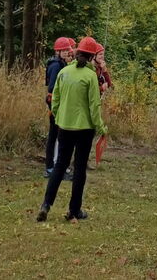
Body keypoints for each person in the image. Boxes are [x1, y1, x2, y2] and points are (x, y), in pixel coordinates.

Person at [37, 37, 108, 222]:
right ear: (92, 57)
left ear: (76, 53)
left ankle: (46, 204)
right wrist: (101, 127)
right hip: (84, 129)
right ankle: (74, 210)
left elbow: (55, 99)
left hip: (64, 126)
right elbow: (94, 106)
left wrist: (59, 117)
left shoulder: (64, 72)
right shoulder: (90, 76)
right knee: (79, 169)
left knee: (60, 165)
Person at [44, 37, 74, 178]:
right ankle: (51, 167)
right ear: (58, 51)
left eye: (68, 50)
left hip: (57, 102)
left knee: (57, 136)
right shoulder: (56, 65)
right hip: (55, 103)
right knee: (55, 136)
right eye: (64, 50)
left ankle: (55, 166)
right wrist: (56, 106)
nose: (67, 52)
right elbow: (52, 87)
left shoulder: (60, 63)